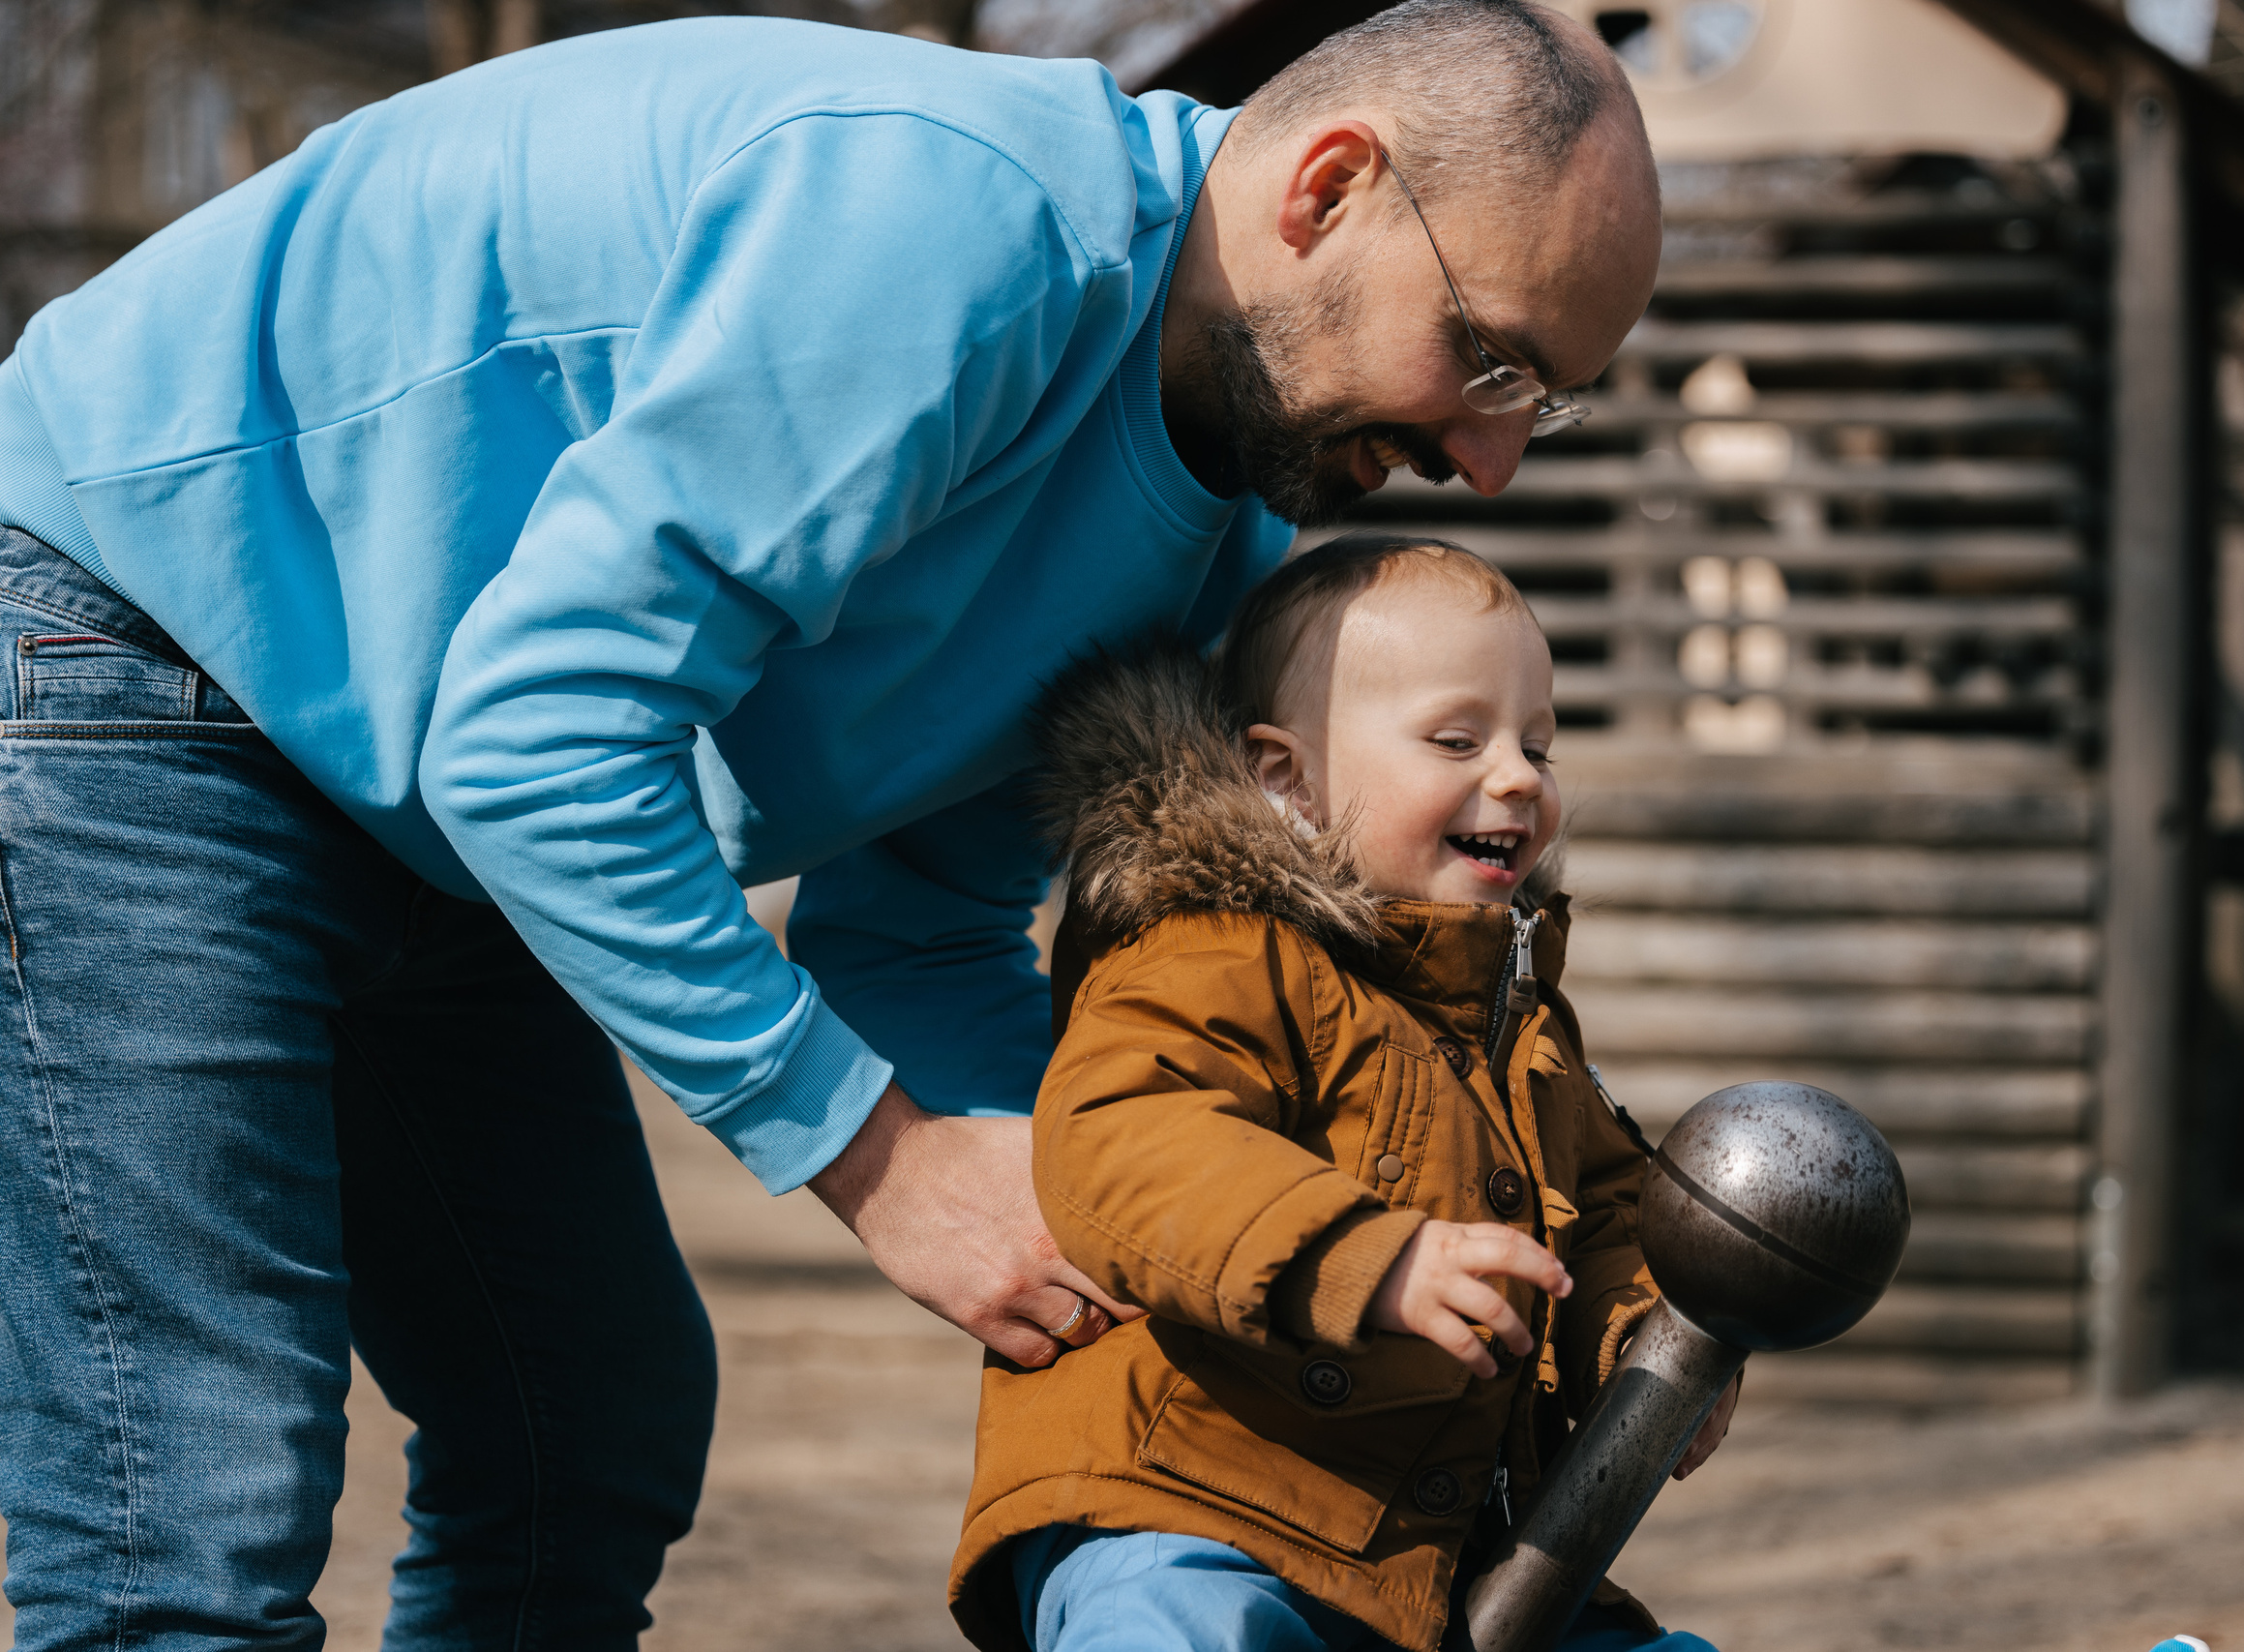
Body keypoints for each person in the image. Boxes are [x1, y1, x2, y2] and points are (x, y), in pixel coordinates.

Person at [0, 2, 1660, 1645]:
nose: (1494, 460)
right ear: (1329, 188)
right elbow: (535, 737)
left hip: (406, 785)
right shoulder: (960, 230)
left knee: (584, 1427)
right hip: (137, 640)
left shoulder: (1216, 526)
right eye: (1491, 356)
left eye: (1552, 399)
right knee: (190, 1517)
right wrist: (879, 1159)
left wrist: (1244, 1231)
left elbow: (916, 933)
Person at [946, 533, 1735, 1652]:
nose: (1514, 775)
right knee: (1181, 1633)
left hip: (1424, 1554)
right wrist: (1369, 1258)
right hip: (1193, 1499)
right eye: (1456, 739)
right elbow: (1128, 1138)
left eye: (1538, 746)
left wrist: (1645, 1353)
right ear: (1287, 783)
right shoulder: (1209, 949)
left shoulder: (1522, 1024)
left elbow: (1607, 1215)